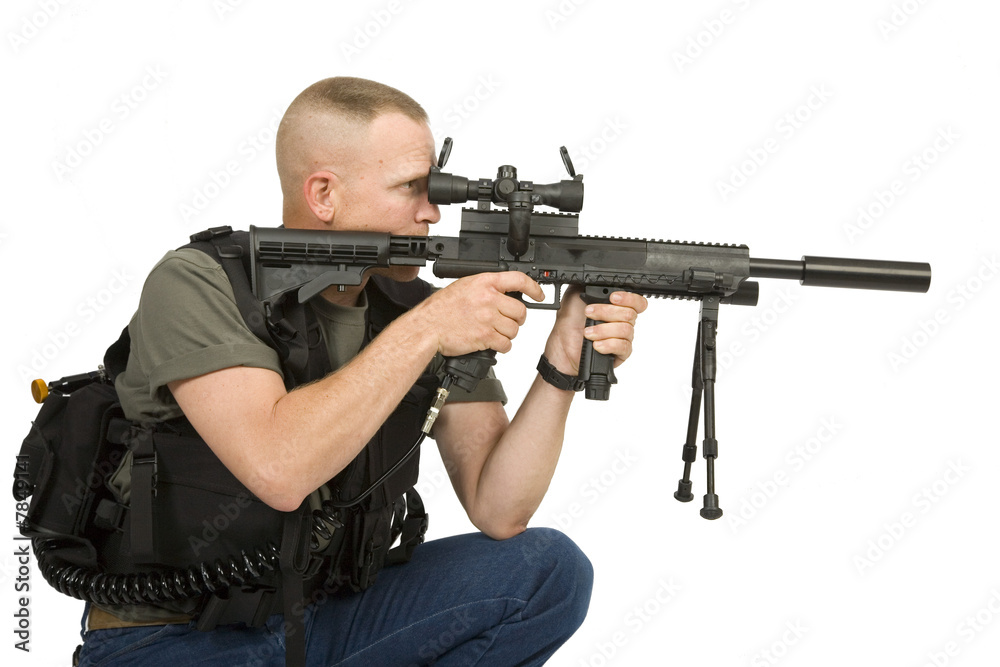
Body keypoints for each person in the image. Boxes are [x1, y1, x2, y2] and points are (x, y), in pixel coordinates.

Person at [75, 76, 647, 666]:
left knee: (547, 571)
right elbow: (278, 469)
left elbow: (499, 509)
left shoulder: (414, 308)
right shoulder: (200, 282)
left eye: (435, 189)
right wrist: (428, 329)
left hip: (331, 618)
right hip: (173, 637)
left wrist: (562, 362)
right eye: (411, 187)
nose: (432, 212)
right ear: (324, 194)